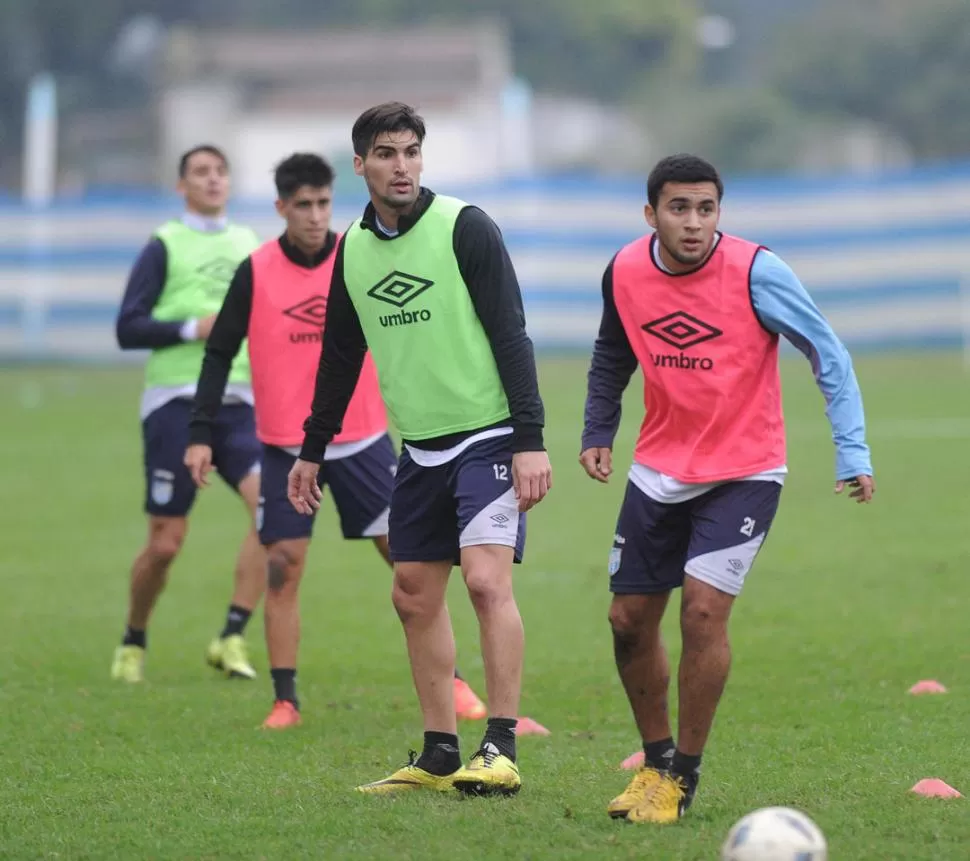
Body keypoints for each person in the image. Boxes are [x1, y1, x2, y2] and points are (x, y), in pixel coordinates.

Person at [580, 153, 875, 824]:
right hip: (658, 469)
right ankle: (653, 765)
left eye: (706, 208)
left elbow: (827, 350)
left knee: (703, 613)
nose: (693, 223)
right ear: (650, 213)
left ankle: (682, 775)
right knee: (628, 621)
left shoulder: (756, 271)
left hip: (745, 470)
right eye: (679, 208)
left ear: (720, 211)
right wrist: (599, 426)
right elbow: (612, 349)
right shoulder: (625, 269)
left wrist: (851, 447)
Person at [287, 102, 553, 797]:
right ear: (361, 165)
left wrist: (531, 440)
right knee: (411, 594)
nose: (400, 165)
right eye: (386, 153)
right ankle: (440, 751)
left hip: (489, 433)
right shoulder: (353, 249)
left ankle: (498, 745)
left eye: (410, 152)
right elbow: (341, 355)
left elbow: (511, 333)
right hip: (420, 449)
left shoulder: (464, 227)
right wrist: (312, 448)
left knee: (487, 580)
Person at [186, 152, 489, 729]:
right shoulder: (255, 271)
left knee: (410, 564)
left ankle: (455, 683)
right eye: (303, 205)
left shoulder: (359, 255)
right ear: (281, 208)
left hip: (363, 440)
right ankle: (285, 701)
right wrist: (200, 432)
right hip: (284, 445)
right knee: (283, 565)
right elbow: (220, 352)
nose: (316, 216)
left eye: (324, 203)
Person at [112, 144, 265, 683]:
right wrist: (189, 328)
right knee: (165, 543)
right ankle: (133, 639)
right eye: (201, 172)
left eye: (221, 170)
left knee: (272, 514)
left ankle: (231, 636)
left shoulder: (249, 243)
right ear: (182, 185)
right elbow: (127, 327)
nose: (213, 179)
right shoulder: (164, 245)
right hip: (175, 401)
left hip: (239, 400)